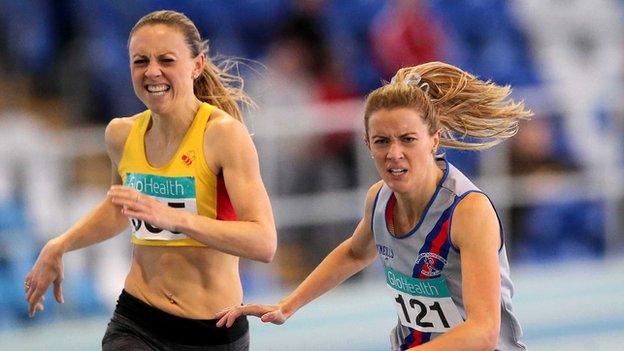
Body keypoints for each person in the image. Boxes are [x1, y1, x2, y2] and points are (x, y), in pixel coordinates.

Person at [216, 61, 531, 350]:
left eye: (408, 139)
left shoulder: (468, 212)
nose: (394, 153)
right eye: (382, 141)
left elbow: (484, 331)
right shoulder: (380, 199)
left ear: (434, 139)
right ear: (367, 145)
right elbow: (354, 252)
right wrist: (288, 304)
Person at [24, 10, 277, 351]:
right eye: (140, 61)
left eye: (166, 60)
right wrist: (60, 244)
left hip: (213, 331)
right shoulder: (121, 133)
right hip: (137, 320)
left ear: (197, 65)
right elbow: (119, 210)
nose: (152, 71)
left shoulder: (223, 136)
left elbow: (263, 243)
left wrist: (176, 219)